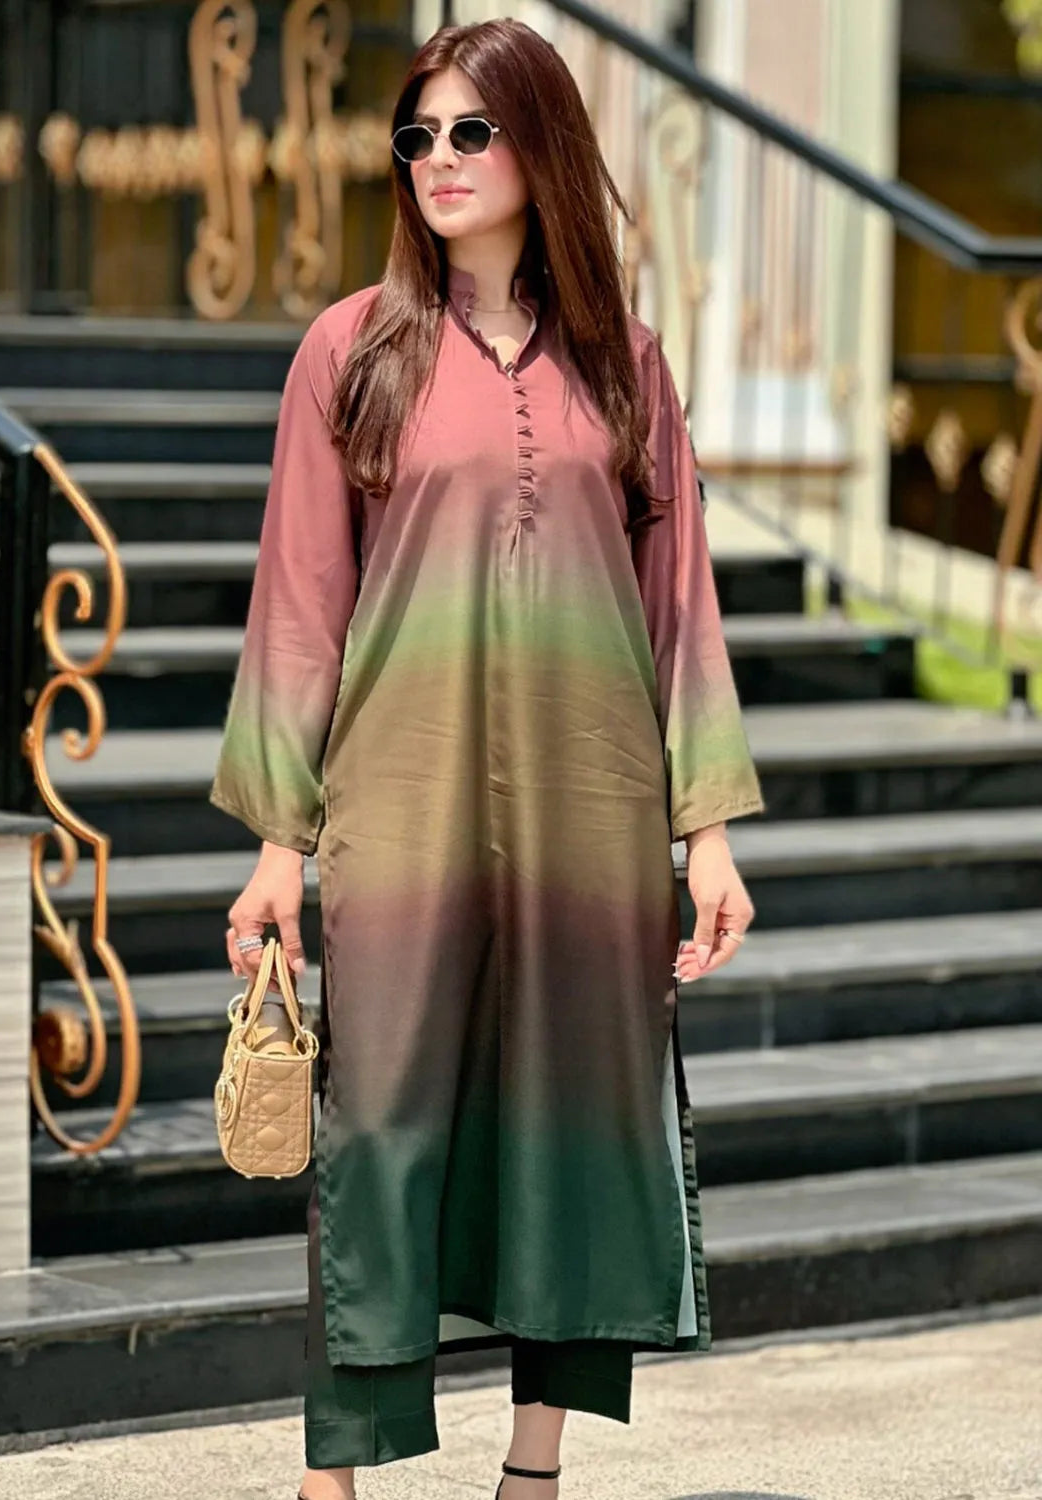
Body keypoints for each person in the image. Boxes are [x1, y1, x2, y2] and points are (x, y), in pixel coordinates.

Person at [212, 18, 764, 1500]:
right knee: (381, 1130)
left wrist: (707, 834)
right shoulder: (355, 350)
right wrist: (281, 841)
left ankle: (534, 1469)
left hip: (594, 808)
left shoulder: (624, 362)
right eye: (419, 136)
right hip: (403, 804)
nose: (439, 161)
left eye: (472, 132)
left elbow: (680, 602)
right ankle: (337, 1475)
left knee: (575, 1127)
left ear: (541, 148)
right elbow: (301, 602)